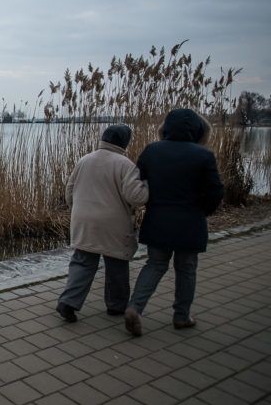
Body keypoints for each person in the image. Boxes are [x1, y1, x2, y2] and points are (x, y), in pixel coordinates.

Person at [124, 108, 224, 336]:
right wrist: (203, 211)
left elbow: (137, 183)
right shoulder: (203, 155)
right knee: (187, 268)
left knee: (155, 264)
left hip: (158, 220)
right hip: (190, 222)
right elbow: (216, 191)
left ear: (165, 127)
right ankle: (181, 316)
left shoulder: (152, 151)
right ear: (198, 129)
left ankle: (134, 308)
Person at [56, 124, 149, 322]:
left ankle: (68, 302)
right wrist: (148, 185)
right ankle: (116, 306)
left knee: (82, 262)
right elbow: (137, 197)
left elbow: (69, 191)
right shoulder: (125, 164)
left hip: (83, 220)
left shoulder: (84, 160)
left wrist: (77, 209)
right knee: (116, 264)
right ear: (124, 142)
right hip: (113, 223)